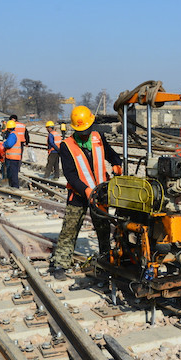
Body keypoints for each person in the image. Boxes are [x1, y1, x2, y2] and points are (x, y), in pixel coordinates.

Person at [50, 106, 122, 280]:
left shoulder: (99, 137)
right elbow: (70, 174)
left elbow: (111, 155)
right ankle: (60, 263)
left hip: (100, 193)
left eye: (87, 129)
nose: (85, 133)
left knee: (103, 228)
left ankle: (105, 261)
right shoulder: (67, 146)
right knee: (70, 228)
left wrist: (116, 163)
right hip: (79, 194)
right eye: (81, 131)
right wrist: (86, 190)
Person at [3, 120, 22, 188]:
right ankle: (12, 185)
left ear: (8, 128)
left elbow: (9, 144)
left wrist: (4, 144)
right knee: (14, 172)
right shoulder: (16, 134)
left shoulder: (12, 135)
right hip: (16, 157)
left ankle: (15, 186)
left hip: (12, 157)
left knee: (13, 172)